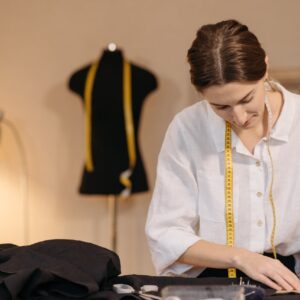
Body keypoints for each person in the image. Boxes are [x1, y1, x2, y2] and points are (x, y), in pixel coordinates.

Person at [145, 19, 300, 291]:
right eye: (220, 107)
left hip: (290, 281)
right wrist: (242, 258)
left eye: (246, 99)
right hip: (212, 284)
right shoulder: (188, 129)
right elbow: (165, 235)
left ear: (264, 66)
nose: (239, 118)